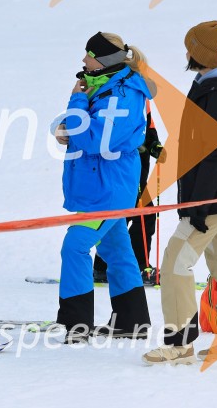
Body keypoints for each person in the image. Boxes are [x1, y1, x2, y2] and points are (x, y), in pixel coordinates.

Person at [143, 20, 217, 365]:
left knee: (175, 261)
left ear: (202, 53)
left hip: (214, 195)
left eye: (190, 48)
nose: (186, 54)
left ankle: (180, 344)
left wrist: (200, 203)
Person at [54, 32, 152, 343]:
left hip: (108, 190)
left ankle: (76, 324)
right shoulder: (103, 85)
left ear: (104, 60)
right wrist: (64, 128)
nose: (83, 60)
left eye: (89, 54)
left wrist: (76, 102)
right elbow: (82, 127)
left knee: (75, 246)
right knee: (116, 249)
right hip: (100, 185)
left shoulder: (124, 94)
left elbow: (96, 139)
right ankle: (132, 321)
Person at [93, 101, 166, 284]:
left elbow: (149, 129)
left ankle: (103, 267)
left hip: (137, 172)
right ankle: (138, 267)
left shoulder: (143, 99)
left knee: (124, 218)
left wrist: (154, 146)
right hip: (123, 170)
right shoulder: (123, 94)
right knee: (139, 216)